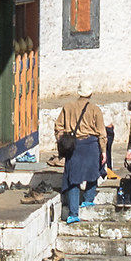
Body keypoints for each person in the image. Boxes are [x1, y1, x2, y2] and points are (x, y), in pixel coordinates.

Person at [53, 89, 109, 225]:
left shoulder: (67, 107)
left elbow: (58, 127)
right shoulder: (95, 110)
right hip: (91, 145)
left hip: (74, 146)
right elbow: (102, 133)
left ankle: (73, 213)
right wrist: (103, 151)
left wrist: (63, 141)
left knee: (73, 179)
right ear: (90, 94)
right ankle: (88, 200)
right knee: (93, 172)